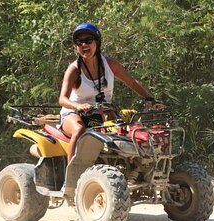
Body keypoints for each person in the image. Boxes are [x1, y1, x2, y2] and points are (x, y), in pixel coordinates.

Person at [58, 22, 154, 163]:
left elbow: (132, 82)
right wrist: (78, 106)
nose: (84, 44)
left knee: (127, 131)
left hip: (102, 112)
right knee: (79, 130)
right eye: (79, 42)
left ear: (97, 42)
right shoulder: (74, 69)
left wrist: (151, 99)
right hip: (73, 113)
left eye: (88, 40)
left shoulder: (110, 64)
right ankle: (71, 175)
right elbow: (62, 99)